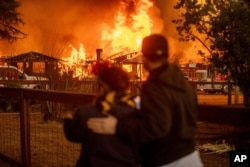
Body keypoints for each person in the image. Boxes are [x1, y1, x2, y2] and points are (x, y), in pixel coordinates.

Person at [87, 34, 203, 167]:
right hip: (191, 157)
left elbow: (156, 126)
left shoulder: (154, 87)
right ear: (166, 55)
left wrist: (117, 126)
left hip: (167, 160)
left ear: (144, 57)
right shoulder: (182, 83)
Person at [63, 63, 140, 167]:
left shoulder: (86, 113)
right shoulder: (138, 113)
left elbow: (73, 135)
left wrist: (68, 117)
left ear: (103, 87)